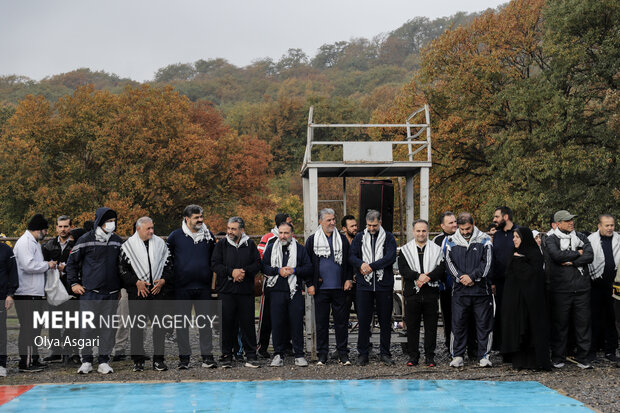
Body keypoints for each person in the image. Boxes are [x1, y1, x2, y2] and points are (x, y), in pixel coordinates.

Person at [67, 207, 122, 374]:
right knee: (87, 327)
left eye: (113, 221)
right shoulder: (85, 239)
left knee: (108, 328)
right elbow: (71, 263)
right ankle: (86, 360)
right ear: (99, 221)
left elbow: (122, 266)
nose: (111, 224)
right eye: (108, 221)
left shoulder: (117, 241)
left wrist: (120, 286)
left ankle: (104, 360)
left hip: (111, 293)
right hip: (90, 292)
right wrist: (74, 283)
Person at [167, 205, 217, 369]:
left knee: (205, 324)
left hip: (203, 287)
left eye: (201, 216)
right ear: (187, 219)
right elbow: (168, 259)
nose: (200, 220)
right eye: (196, 217)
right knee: (182, 324)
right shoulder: (175, 236)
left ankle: (207, 357)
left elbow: (213, 258)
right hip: (182, 287)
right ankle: (184, 359)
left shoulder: (208, 236)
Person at [119, 217, 173, 372]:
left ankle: (159, 360)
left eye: (152, 228)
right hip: (137, 293)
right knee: (136, 327)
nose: (151, 231)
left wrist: (163, 280)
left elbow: (170, 265)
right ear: (138, 229)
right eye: (148, 228)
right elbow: (122, 271)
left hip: (157, 292)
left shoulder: (161, 244)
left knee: (159, 327)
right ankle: (138, 360)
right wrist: (136, 282)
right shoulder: (127, 246)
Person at [545, 210, 594, 369]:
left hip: (581, 288)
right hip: (560, 289)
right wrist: (577, 253)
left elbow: (589, 255)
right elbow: (556, 256)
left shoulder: (581, 236)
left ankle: (583, 357)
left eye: (572, 220)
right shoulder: (550, 238)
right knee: (560, 325)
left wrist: (572, 262)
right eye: (567, 221)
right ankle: (558, 357)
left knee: (583, 324)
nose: (571, 223)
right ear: (558, 223)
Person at [445, 212, 494, 368]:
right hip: (460, 291)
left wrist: (473, 277)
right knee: (458, 324)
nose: (465, 232)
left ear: (473, 224)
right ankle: (457, 355)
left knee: (483, 324)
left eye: (468, 228)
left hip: (481, 291)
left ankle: (484, 355)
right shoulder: (450, 240)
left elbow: (487, 264)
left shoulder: (485, 239)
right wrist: (461, 278)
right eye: (462, 229)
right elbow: (448, 264)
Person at [212, 217, 262, 368]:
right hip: (226, 291)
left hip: (245, 292)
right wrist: (231, 272)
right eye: (228, 228)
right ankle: (227, 356)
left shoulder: (250, 245)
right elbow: (215, 265)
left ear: (242, 230)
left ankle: (251, 355)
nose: (229, 231)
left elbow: (258, 264)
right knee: (227, 324)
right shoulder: (221, 245)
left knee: (247, 324)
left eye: (233, 229)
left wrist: (244, 272)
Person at [305, 208, 353, 366]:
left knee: (342, 322)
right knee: (321, 323)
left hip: (340, 288)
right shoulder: (312, 240)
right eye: (329, 220)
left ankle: (342, 354)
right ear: (320, 221)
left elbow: (348, 261)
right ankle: (322, 354)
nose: (332, 223)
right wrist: (310, 284)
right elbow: (307, 264)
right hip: (321, 289)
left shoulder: (342, 239)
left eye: (333, 219)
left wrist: (348, 279)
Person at [350, 209, 397, 366]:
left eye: (374, 225)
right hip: (364, 286)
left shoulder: (388, 237)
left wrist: (371, 266)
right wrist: (361, 264)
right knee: (363, 321)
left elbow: (389, 257)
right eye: (369, 225)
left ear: (380, 222)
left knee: (385, 321)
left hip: (383, 285)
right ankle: (363, 353)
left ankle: (385, 352)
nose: (371, 229)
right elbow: (352, 256)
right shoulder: (359, 237)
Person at [262, 221, 312, 367]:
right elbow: (263, 266)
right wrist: (278, 271)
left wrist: (294, 270)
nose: (283, 236)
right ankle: (278, 354)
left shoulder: (300, 249)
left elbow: (308, 268)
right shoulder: (271, 248)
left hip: (294, 291)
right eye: (281, 233)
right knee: (277, 323)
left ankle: (299, 354)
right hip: (276, 290)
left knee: (296, 323)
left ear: (292, 234)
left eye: (286, 233)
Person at [501, 227, 551, 370]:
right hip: (515, 300)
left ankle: (534, 362)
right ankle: (519, 361)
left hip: (531, 301)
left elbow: (533, 276)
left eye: (517, 237)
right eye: (514, 236)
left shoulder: (535, 254)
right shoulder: (514, 253)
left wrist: (520, 262)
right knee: (517, 328)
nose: (514, 239)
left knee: (531, 329)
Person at [399, 219, 445, 367]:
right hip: (413, 293)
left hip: (431, 292)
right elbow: (403, 269)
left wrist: (428, 277)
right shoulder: (405, 250)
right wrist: (418, 276)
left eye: (424, 231)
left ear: (428, 231)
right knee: (412, 327)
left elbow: (441, 268)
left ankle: (430, 357)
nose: (421, 233)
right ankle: (413, 356)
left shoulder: (436, 249)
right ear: (413, 232)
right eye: (418, 231)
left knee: (431, 328)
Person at [13, 214, 56, 372]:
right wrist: (48, 265)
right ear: (39, 229)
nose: (46, 233)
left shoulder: (34, 243)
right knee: (29, 328)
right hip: (26, 292)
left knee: (35, 328)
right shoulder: (26, 243)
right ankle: (26, 362)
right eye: (45, 230)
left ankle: (34, 358)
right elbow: (28, 265)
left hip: (34, 291)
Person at [256, 213, 292, 359]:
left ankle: (286, 345)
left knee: (287, 315)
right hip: (271, 283)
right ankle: (262, 346)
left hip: (289, 283)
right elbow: (260, 259)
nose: (292, 224)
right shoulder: (267, 238)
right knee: (266, 316)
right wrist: (276, 270)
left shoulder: (291, 237)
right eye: (290, 222)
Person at [42, 215, 76, 364]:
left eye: (66, 226)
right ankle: (55, 351)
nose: (63, 229)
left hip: (70, 288)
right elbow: (43, 264)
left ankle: (69, 351)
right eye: (60, 226)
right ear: (56, 228)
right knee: (53, 321)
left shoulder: (76, 244)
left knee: (71, 322)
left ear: (71, 227)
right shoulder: (49, 245)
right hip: (54, 288)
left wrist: (67, 268)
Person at [587, 214, 618, 361]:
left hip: (613, 285)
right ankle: (592, 351)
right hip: (595, 283)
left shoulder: (618, 239)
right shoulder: (591, 240)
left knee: (612, 318)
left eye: (612, 225)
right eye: (607, 225)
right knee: (594, 317)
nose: (610, 228)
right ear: (599, 226)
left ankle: (611, 351)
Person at [491, 206, 517, 352]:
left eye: (497, 217)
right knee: (500, 312)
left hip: (516, 281)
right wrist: (493, 282)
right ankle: (501, 345)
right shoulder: (497, 235)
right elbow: (494, 258)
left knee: (514, 312)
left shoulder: (518, 232)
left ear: (505, 217)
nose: (494, 220)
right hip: (500, 282)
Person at [433, 211, 457, 350]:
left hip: (463, 285)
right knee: (448, 317)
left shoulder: (463, 236)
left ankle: (471, 346)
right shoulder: (437, 240)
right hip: (445, 286)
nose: (454, 225)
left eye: (455, 222)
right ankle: (450, 345)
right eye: (451, 223)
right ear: (442, 225)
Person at [0, 235, 18, 377]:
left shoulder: (6, 250)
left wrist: (10, 294)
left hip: (1, 296)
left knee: (1, 332)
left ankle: (1, 364)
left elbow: (13, 273)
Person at [341, 215, 358, 317]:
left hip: (359, 283)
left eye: (355, 225)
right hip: (343, 284)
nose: (355, 228)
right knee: (342, 315)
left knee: (362, 313)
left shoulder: (361, 240)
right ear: (344, 228)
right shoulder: (339, 242)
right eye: (352, 226)